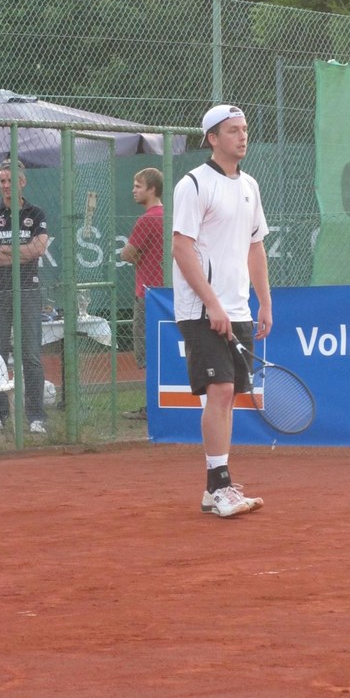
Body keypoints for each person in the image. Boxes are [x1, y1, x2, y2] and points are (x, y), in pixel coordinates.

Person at [172, 104, 273, 518]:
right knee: (221, 390)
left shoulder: (250, 185)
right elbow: (181, 248)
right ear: (212, 138)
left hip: (239, 307)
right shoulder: (193, 184)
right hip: (201, 308)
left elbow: (255, 246)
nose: (242, 136)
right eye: (233, 130)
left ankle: (217, 487)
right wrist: (212, 303)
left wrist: (264, 301)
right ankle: (219, 486)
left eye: (244, 129)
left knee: (228, 397)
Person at [0, 158, 49, 434]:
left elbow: (39, 249)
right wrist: (21, 250)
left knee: (31, 354)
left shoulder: (36, 214)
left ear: (23, 182)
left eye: (11, 181)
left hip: (28, 290)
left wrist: (5, 249)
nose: (6, 186)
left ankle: (36, 416)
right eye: (2, 181)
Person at [121, 168, 164, 420]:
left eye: (139, 186)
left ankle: (152, 408)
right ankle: (162, 404)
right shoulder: (168, 215)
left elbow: (127, 253)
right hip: (166, 296)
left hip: (147, 296)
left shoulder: (148, 219)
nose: (134, 190)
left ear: (152, 189)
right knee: (163, 351)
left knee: (148, 354)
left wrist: (134, 255)